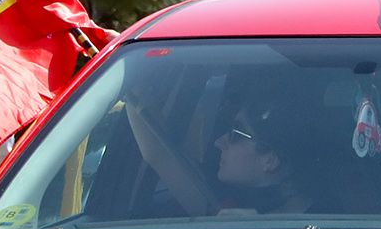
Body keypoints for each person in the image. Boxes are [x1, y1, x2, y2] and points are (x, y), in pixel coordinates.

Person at [128, 91, 317, 217]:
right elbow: (161, 153)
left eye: (236, 135)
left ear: (270, 160)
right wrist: (136, 91)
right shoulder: (211, 193)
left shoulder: (325, 219)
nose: (218, 142)